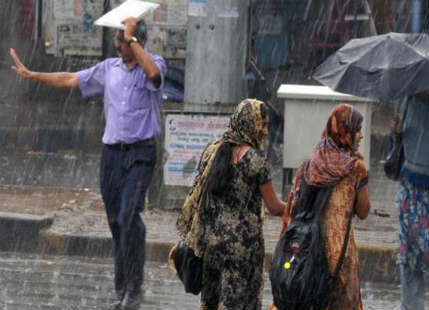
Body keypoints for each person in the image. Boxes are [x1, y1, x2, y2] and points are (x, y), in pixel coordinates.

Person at [10, 17, 166, 310]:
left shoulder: (152, 63)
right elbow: (71, 78)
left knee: (128, 216)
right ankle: (124, 288)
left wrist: (132, 38)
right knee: (117, 224)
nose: (116, 44)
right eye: (118, 40)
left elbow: (155, 75)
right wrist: (32, 75)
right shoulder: (109, 69)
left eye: (122, 40)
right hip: (112, 156)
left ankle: (133, 288)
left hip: (141, 153)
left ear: (136, 41)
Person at [174, 99, 285, 310]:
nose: (266, 131)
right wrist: (298, 207)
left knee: (211, 302)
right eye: (263, 124)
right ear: (251, 124)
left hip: (212, 244)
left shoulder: (213, 151)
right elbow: (274, 207)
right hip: (242, 249)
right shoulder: (255, 160)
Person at [272, 103, 371, 310]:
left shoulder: (308, 167)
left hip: (306, 252)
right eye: (357, 130)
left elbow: (292, 212)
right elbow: (363, 211)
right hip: (339, 259)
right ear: (345, 132)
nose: (361, 136)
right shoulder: (355, 169)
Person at [390, 92, 429, 310]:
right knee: (411, 267)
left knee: (413, 267)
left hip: (413, 194)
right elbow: (396, 155)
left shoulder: (410, 98)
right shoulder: (409, 100)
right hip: (412, 195)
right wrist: (396, 135)